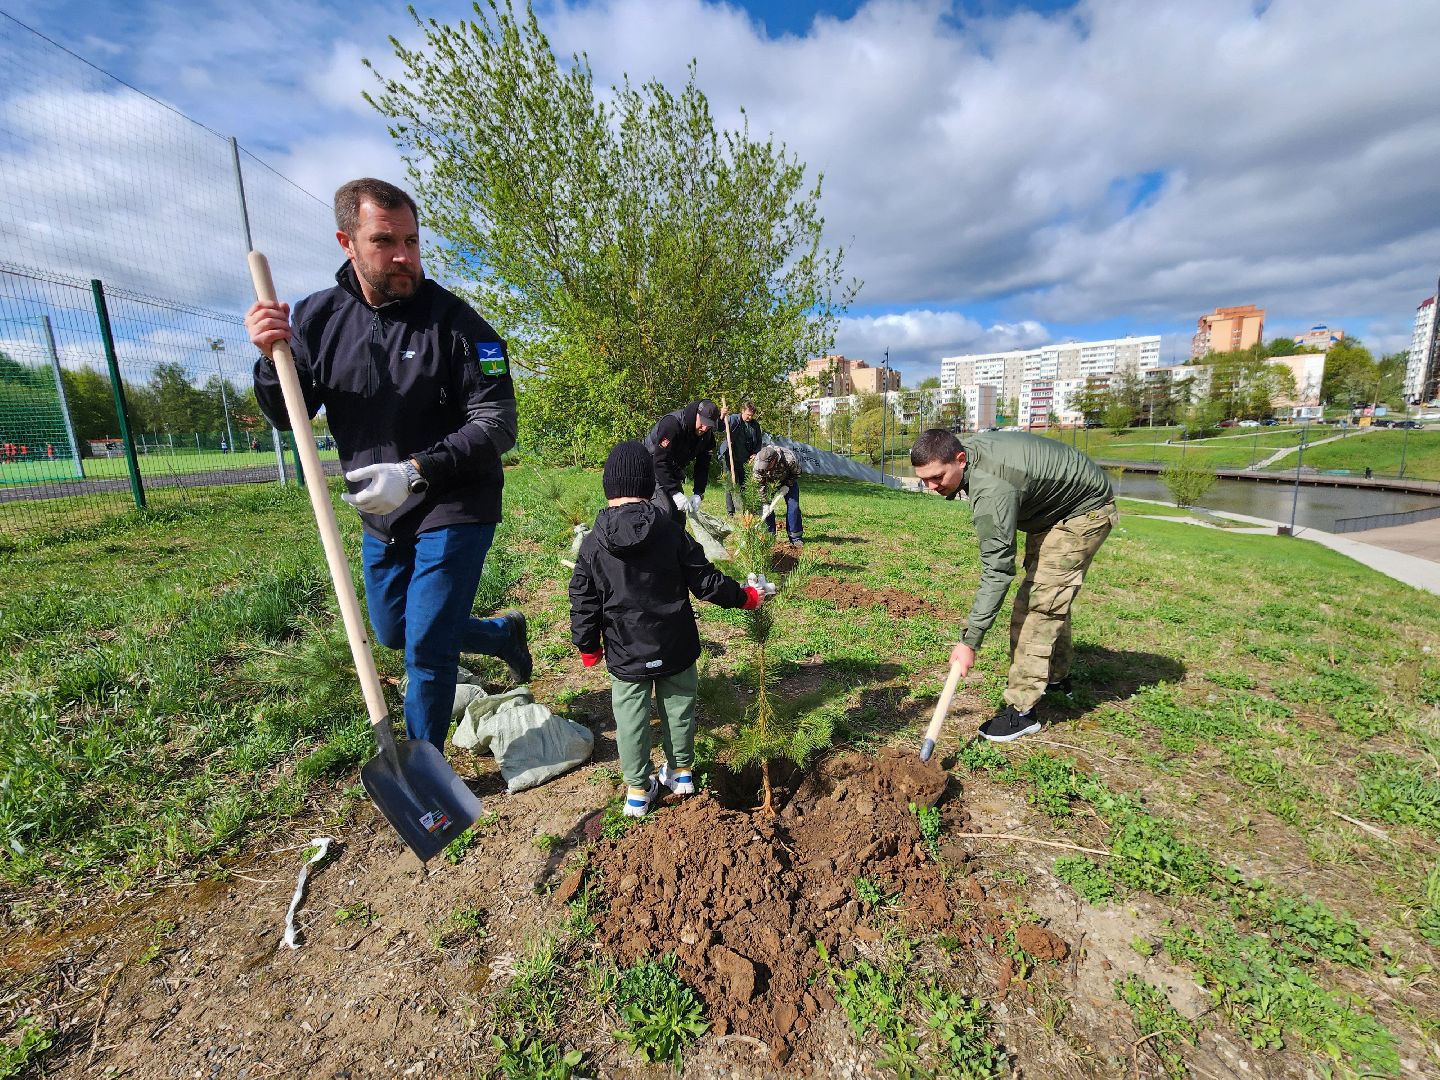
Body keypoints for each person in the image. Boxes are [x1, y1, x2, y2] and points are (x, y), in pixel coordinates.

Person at [246, 177, 531, 752]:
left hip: (454, 497)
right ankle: (500, 636)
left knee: (426, 644)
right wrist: (268, 356)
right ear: (347, 242)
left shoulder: (459, 324)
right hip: (379, 510)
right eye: (385, 241)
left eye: (412, 240)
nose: (404, 256)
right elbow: (286, 412)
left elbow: (498, 423)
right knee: (394, 630)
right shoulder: (316, 320)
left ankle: (423, 765)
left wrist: (416, 471)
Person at [569, 441, 771, 817]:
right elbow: (706, 581)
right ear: (648, 486)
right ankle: (680, 773)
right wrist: (744, 597)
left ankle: (637, 789)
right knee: (679, 710)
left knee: (631, 720)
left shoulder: (594, 544)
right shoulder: (670, 531)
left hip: (626, 652)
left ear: (608, 487)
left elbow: (583, 598)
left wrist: (588, 646)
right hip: (675, 646)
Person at [910, 428, 1117, 743]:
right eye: (923, 480)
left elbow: (997, 569)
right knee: (1051, 596)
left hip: (1083, 510)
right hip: (1052, 510)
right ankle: (1057, 677)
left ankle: (1022, 711)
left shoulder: (992, 487)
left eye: (937, 477)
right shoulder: (968, 456)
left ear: (960, 458)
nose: (931, 487)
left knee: (1039, 604)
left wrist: (970, 641)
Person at [644, 399, 720, 523]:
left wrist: (698, 492)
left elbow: (703, 466)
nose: (704, 428)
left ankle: (675, 542)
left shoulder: (707, 436)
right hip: (650, 466)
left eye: (709, 425)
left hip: (672, 469)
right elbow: (659, 461)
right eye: (702, 422)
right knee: (664, 511)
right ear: (696, 414)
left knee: (679, 517)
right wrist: (675, 493)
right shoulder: (672, 424)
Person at [752, 444, 803, 548]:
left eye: (767, 465)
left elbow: (797, 473)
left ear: (774, 460)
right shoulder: (758, 461)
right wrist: (765, 502)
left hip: (788, 482)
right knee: (767, 511)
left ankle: (795, 538)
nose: (765, 468)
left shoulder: (789, 458)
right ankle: (770, 537)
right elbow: (758, 484)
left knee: (793, 507)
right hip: (768, 483)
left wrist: (788, 485)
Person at [721, 400, 762, 515]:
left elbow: (759, 442)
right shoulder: (733, 419)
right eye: (747, 414)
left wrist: (755, 453)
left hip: (746, 459)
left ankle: (746, 509)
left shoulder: (755, 425)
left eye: (751, 415)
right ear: (742, 411)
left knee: (745, 484)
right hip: (730, 458)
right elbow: (719, 426)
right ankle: (731, 512)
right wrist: (722, 416)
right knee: (730, 485)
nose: (749, 417)